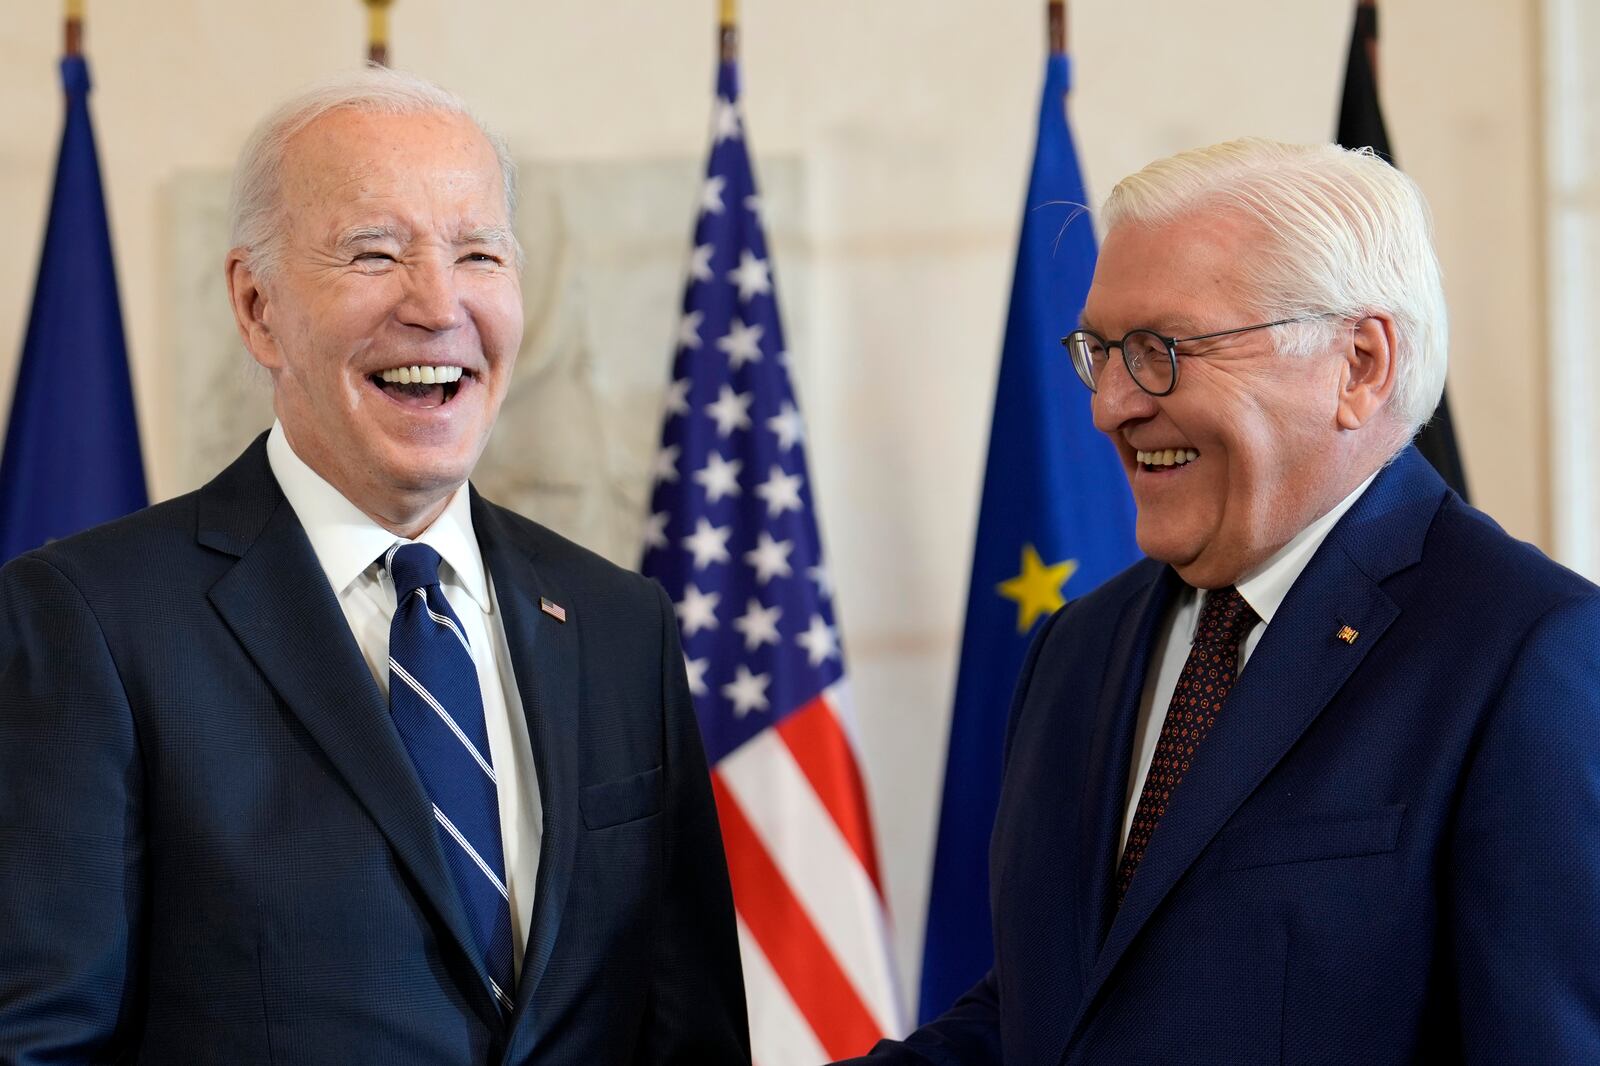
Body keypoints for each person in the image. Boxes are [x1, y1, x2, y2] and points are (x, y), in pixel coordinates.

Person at [0, 67, 749, 1065]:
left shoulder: (621, 626)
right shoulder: (91, 624)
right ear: (257, 305)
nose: (438, 304)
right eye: (375, 252)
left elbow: (688, 1037)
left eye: (478, 252)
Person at [845, 139, 1600, 1064]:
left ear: (1357, 364)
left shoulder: (1530, 655)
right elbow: (1051, 1017)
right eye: (1103, 352)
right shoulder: (1079, 648)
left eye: (1163, 350)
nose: (1111, 405)